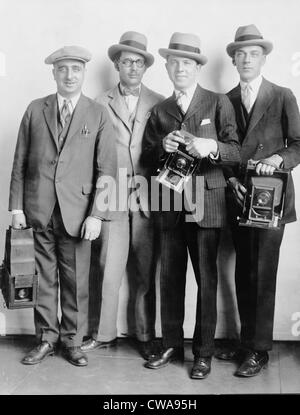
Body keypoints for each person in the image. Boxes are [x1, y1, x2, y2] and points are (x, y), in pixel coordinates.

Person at [9, 45, 117, 367]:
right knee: (42, 279)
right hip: (38, 210)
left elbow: (107, 170)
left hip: (79, 214)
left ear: (83, 73)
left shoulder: (97, 113)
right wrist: (16, 208)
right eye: (62, 69)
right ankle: (46, 339)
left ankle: (72, 341)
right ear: (54, 73)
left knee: (75, 282)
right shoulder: (34, 109)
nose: (69, 75)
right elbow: (19, 164)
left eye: (76, 69)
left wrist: (97, 213)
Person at [141, 32, 241, 379]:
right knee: (169, 278)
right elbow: (146, 159)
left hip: (207, 205)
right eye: (174, 62)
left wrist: (210, 145)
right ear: (167, 67)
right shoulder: (160, 110)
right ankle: (170, 344)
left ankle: (203, 353)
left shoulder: (217, 102)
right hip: (168, 204)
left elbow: (236, 150)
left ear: (197, 67)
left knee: (206, 280)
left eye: (187, 62)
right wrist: (161, 147)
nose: (180, 68)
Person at [216, 24, 300, 377]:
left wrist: (278, 160)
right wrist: (232, 179)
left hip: (272, 199)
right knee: (243, 271)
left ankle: (260, 351)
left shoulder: (282, 95)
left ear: (264, 58)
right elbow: (222, 150)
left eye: (254, 53)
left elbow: (298, 144)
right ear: (233, 60)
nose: (247, 59)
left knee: (263, 274)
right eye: (241, 54)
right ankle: (246, 341)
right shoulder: (226, 100)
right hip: (238, 197)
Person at [81, 32, 164, 360]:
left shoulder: (159, 102)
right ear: (116, 64)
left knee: (145, 270)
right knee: (107, 268)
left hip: (147, 196)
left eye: (138, 62)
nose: (132, 66)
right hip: (111, 194)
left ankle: (145, 335)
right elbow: (90, 153)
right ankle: (102, 334)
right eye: (126, 61)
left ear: (145, 67)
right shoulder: (99, 103)